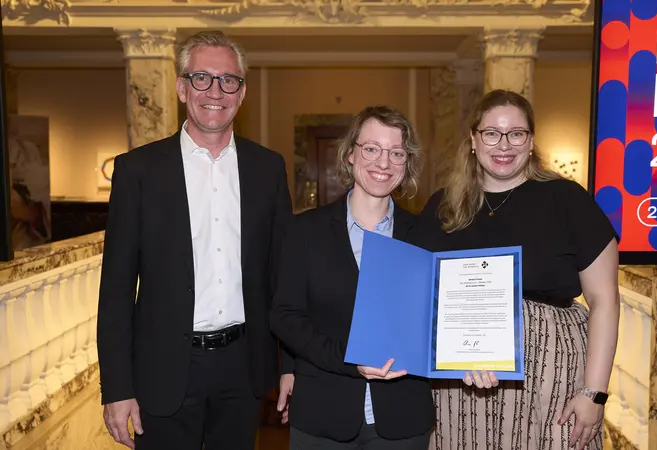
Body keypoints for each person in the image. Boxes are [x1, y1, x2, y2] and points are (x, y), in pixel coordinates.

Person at [96, 30, 292, 450]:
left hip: (244, 369)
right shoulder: (137, 172)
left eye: (228, 80)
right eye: (202, 78)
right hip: (162, 368)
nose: (215, 91)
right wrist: (116, 387)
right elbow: (115, 290)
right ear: (183, 88)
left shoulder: (268, 170)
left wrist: (288, 365)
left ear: (242, 92)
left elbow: (282, 279)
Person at [419, 89, 619, 450]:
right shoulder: (443, 207)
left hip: (552, 377)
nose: (504, 144)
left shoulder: (567, 200)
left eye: (516, 133)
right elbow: (418, 295)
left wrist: (595, 393)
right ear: (473, 140)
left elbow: (605, 300)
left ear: (531, 141)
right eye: (492, 133)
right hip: (461, 383)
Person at [270, 105, 436, 449]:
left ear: (407, 163)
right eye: (371, 149)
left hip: (402, 418)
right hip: (323, 415)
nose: (383, 163)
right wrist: (349, 359)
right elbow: (285, 317)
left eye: (396, 153)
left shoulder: (426, 237)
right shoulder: (305, 231)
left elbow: (439, 320)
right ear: (350, 154)